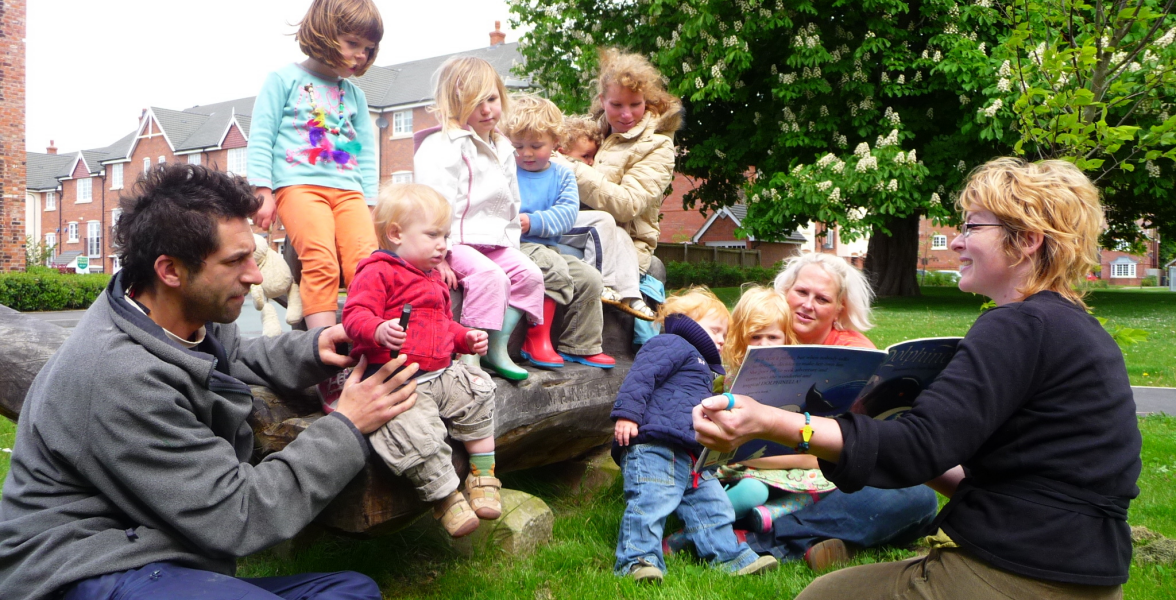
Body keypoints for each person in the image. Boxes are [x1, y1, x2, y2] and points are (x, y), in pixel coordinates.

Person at [695, 158, 1142, 599]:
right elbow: (987, 470)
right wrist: (891, 430)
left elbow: (919, 446)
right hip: (1086, 573)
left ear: (1026, 240)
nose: (958, 242)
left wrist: (774, 422)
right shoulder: (1078, 329)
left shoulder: (1018, 325)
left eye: (972, 227)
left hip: (1021, 572)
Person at [0, 164, 420, 600]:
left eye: (251, 256)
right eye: (235, 261)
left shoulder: (182, 312)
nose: (256, 276)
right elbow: (241, 514)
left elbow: (234, 359)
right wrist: (347, 425)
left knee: (353, 589)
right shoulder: (121, 376)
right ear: (170, 270)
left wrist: (315, 349)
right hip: (81, 569)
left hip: (153, 549)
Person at [716, 254, 938, 571]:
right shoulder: (756, 338)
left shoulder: (856, 355)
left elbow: (852, 452)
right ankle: (829, 538)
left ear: (839, 309)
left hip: (824, 477)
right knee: (913, 513)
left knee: (917, 497)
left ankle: (765, 537)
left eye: (822, 299)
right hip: (754, 475)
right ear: (784, 292)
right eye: (801, 292)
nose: (808, 305)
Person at [341, 183, 501, 539]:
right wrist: (377, 329)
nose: (443, 244)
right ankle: (444, 495)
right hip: (399, 380)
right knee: (412, 430)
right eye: (432, 235)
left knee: (478, 393)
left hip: (442, 374)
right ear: (396, 234)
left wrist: (464, 337)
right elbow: (354, 315)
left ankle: (483, 472)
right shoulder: (377, 271)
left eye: (445, 235)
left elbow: (443, 324)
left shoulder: (433, 279)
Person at [611, 287, 779, 583]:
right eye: (715, 330)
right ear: (687, 321)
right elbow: (642, 376)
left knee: (714, 506)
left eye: (724, 334)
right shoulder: (671, 343)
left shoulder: (702, 366)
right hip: (655, 445)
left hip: (692, 455)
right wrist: (627, 414)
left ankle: (730, 556)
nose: (721, 339)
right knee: (651, 502)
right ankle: (637, 561)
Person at [247, 0, 382, 332]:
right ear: (324, 33)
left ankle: (368, 340)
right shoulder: (283, 80)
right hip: (299, 186)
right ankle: (322, 345)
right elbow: (262, 136)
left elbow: (365, 152)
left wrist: (370, 203)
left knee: (366, 263)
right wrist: (263, 189)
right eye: (353, 43)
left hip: (350, 191)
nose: (361, 55)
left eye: (368, 48)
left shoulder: (355, 96)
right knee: (321, 262)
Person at [414, 56, 545, 381]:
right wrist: (440, 255)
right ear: (455, 105)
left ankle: (496, 347)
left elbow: (511, 203)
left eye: (491, 99)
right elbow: (432, 202)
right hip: (457, 242)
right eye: (475, 104)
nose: (486, 110)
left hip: (495, 241)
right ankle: (469, 354)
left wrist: (512, 246)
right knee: (490, 277)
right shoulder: (444, 144)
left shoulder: (503, 146)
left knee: (530, 275)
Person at [560, 48, 684, 322]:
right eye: (616, 105)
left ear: (646, 101)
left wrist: (570, 167)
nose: (626, 114)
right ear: (602, 100)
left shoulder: (657, 145)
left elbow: (627, 205)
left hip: (622, 247)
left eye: (635, 104)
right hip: (576, 230)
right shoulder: (588, 133)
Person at [500, 94, 615, 370]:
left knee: (589, 278)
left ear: (555, 142)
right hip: (515, 247)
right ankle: (535, 340)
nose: (526, 153)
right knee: (553, 268)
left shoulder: (562, 175)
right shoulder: (506, 171)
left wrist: (534, 221)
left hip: (548, 247)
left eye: (536, 145)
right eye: (518, 146)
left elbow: (566, 214)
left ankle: (580, 344)